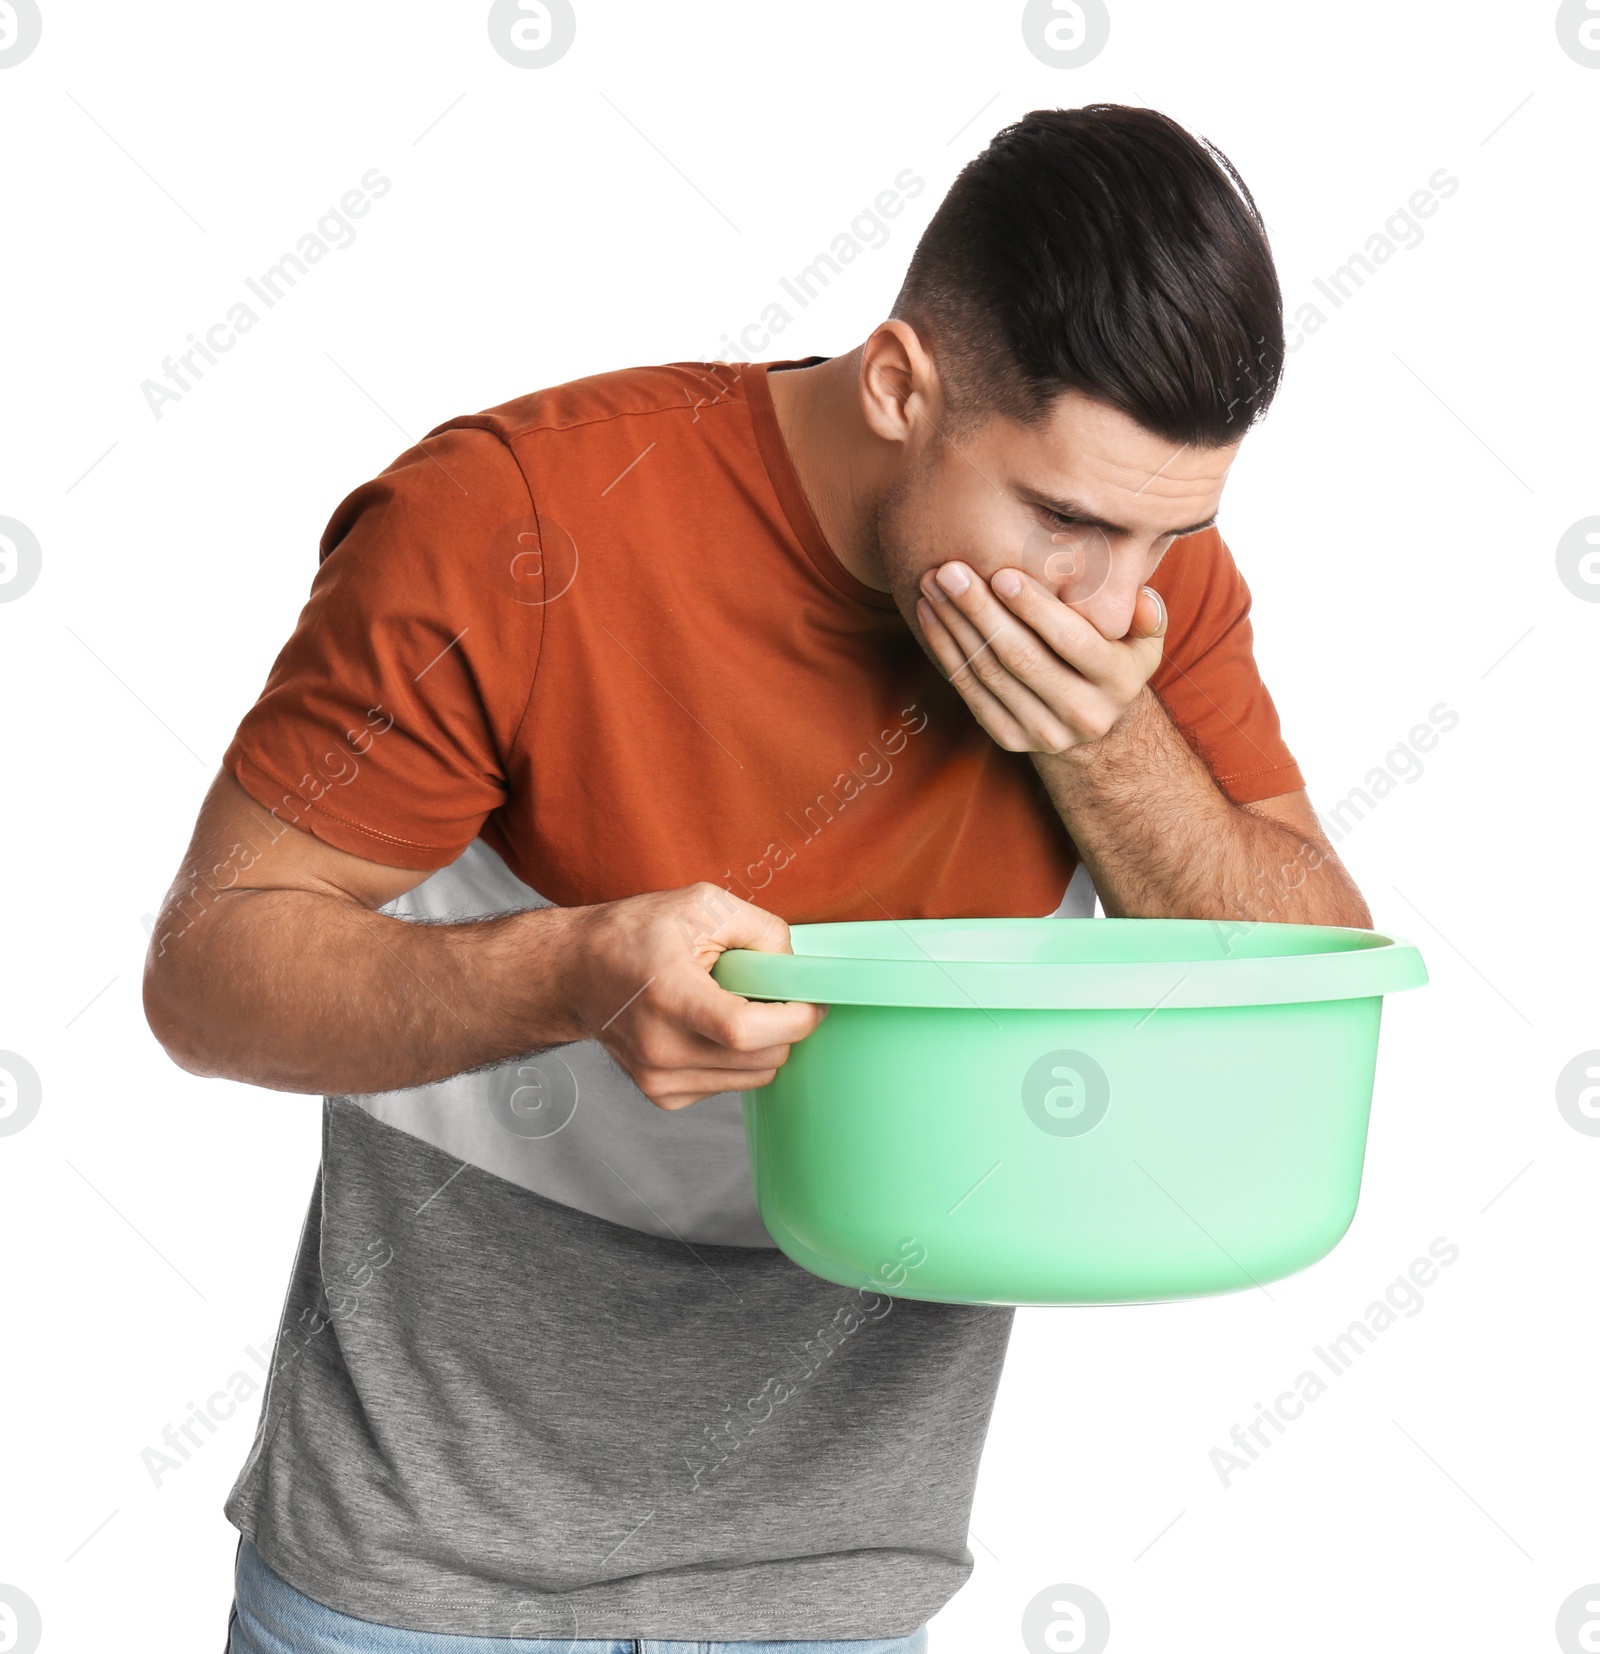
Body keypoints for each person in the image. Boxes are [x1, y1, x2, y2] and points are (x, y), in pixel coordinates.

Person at [144, 103, 1369, 1653]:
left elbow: (1310, 982)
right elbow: (207, 969)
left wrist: (1109, 748)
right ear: (900, 383)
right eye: (1064, 518)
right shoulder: (508, 525)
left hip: (840, 1591)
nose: (1114, 596)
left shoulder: (1142, 596)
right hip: (420, 1579)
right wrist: (569, 970)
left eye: (1168, 535)